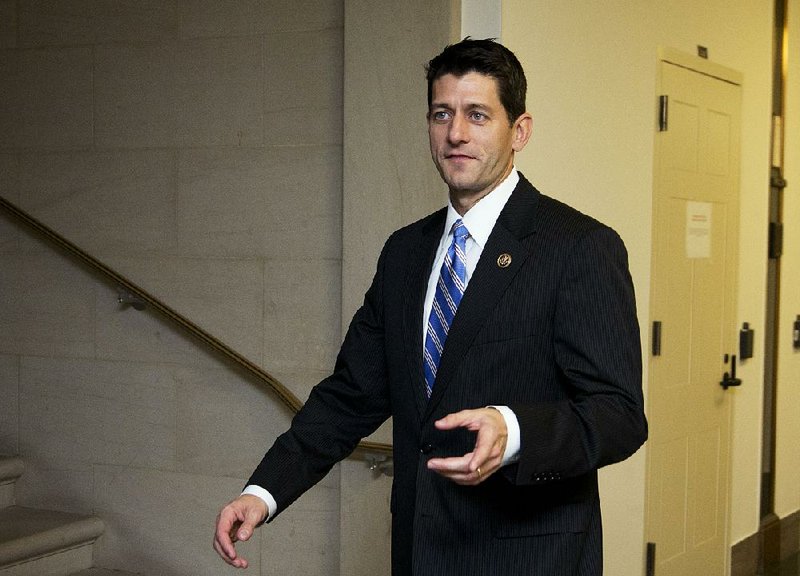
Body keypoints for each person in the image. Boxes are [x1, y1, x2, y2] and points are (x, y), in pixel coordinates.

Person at [213, 37, 647, 576]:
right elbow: (351, 395)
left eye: (477, 115)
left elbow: (620, 415)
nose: (456, 133)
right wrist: (263, 492)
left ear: (520, 131)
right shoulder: (405, 252)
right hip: (421, 555)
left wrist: (514, 432)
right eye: (442, 114)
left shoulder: (578, 247)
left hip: (533, 557)